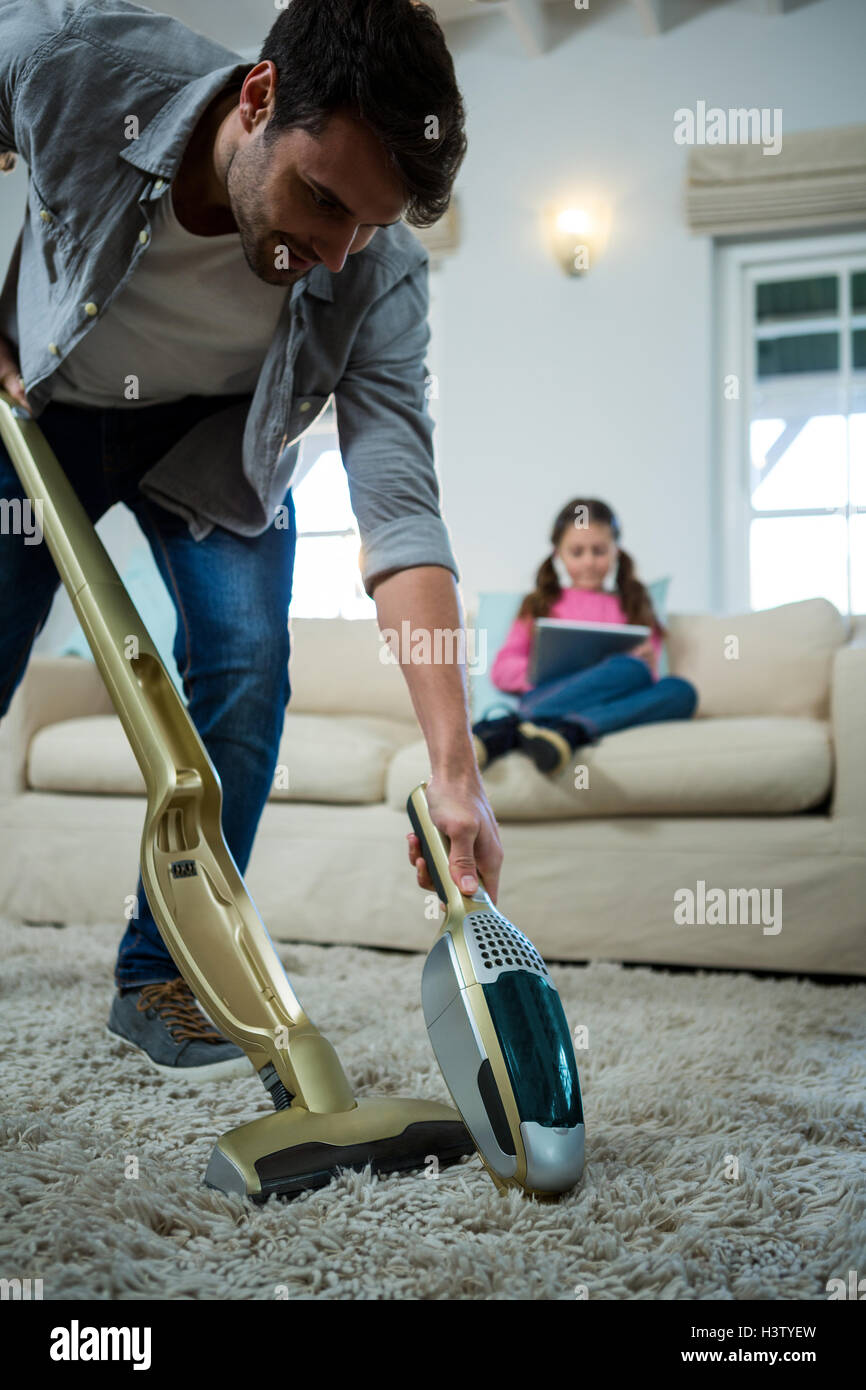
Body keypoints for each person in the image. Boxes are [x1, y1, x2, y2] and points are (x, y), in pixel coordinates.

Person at [0, 0, 503, 1078]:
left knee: (247, 666)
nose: (334, 254)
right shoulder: (75, 64)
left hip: (219, 447)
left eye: (366, 225)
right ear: (260, 96)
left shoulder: (375, 272)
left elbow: (400, 512)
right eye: (322, 201)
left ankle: (163, 975)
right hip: (49, 402)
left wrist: (454, 773)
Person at [472, 497, 699, 776]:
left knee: (680, 691)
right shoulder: (540, 604)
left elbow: (643, 681)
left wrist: (648, 664)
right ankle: (525, 722)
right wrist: (539, 669)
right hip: (551, 695)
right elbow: (502, 671)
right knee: (628, 667)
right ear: (558, 555)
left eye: (599, 551)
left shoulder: (635, 603)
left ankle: (559, 731)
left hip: (612, 700)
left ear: (616, 550)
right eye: (577, 552)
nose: (589, 562)